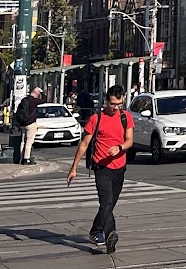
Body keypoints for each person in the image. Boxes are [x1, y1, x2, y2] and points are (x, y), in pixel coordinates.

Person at [67, 84, 134, 255]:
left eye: (119, 104)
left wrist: (119, 148)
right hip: (101, 167)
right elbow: (84, 144)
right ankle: (110, 233)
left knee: (109, 205)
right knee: (106, 202)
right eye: (113, 104)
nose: (116, 108)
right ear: (106, 101)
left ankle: (96, 230)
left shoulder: (126, 117)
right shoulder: (96, 118)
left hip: (119, 167)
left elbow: (129, 141)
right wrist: (73, 168)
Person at [15, 85, 43, 165]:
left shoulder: (25, 100)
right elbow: (44, 100)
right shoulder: (34, 101)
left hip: (23, 123)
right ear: (36, 92)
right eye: (38, 93)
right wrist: (42, 92)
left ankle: (21, 157)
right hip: (31, 123)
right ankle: (26, 159)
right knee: (29, 142)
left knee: (23, 141)